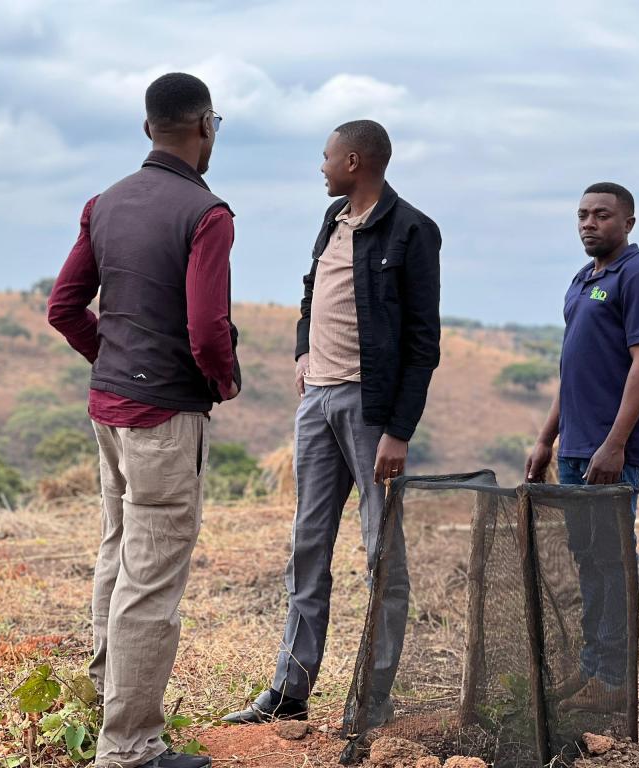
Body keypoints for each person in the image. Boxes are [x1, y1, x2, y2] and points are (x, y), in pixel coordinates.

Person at [47, 73, 238, 768]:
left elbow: (63, 307)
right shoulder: (207, 213)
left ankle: (109, 702)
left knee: (118, 551)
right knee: (151, 577)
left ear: (147, 128)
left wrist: (111, 357)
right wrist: (221, 379)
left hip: (109, 409)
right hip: (164, 416)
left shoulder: (104, 203)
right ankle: (129, 746)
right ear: (204, 126)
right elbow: (208, 330)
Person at [222, 120, 441, 726]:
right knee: (307, 543)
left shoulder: (413, 229)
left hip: (371, 410)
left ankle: (373, 698)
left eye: (326, 158)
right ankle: (289, 691)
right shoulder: (333, 218)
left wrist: (399, 430)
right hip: (316, 400)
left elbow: (423, 341)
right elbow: (311, 290)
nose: (320, 168)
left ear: (353, 161)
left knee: (381, 554)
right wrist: (303, 353)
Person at [525, 182, 639, 712]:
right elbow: (572, 370)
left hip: (610, 453)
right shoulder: (583, 279)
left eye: (602, 215)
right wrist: (547, 439)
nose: (589, 223)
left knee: (612, 561)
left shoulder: (638, 276)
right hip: (575, 448)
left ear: (628, 222)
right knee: (587, 558)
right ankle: (591, 669)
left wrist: (615, 445)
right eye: (582, 214)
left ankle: (612, 678)